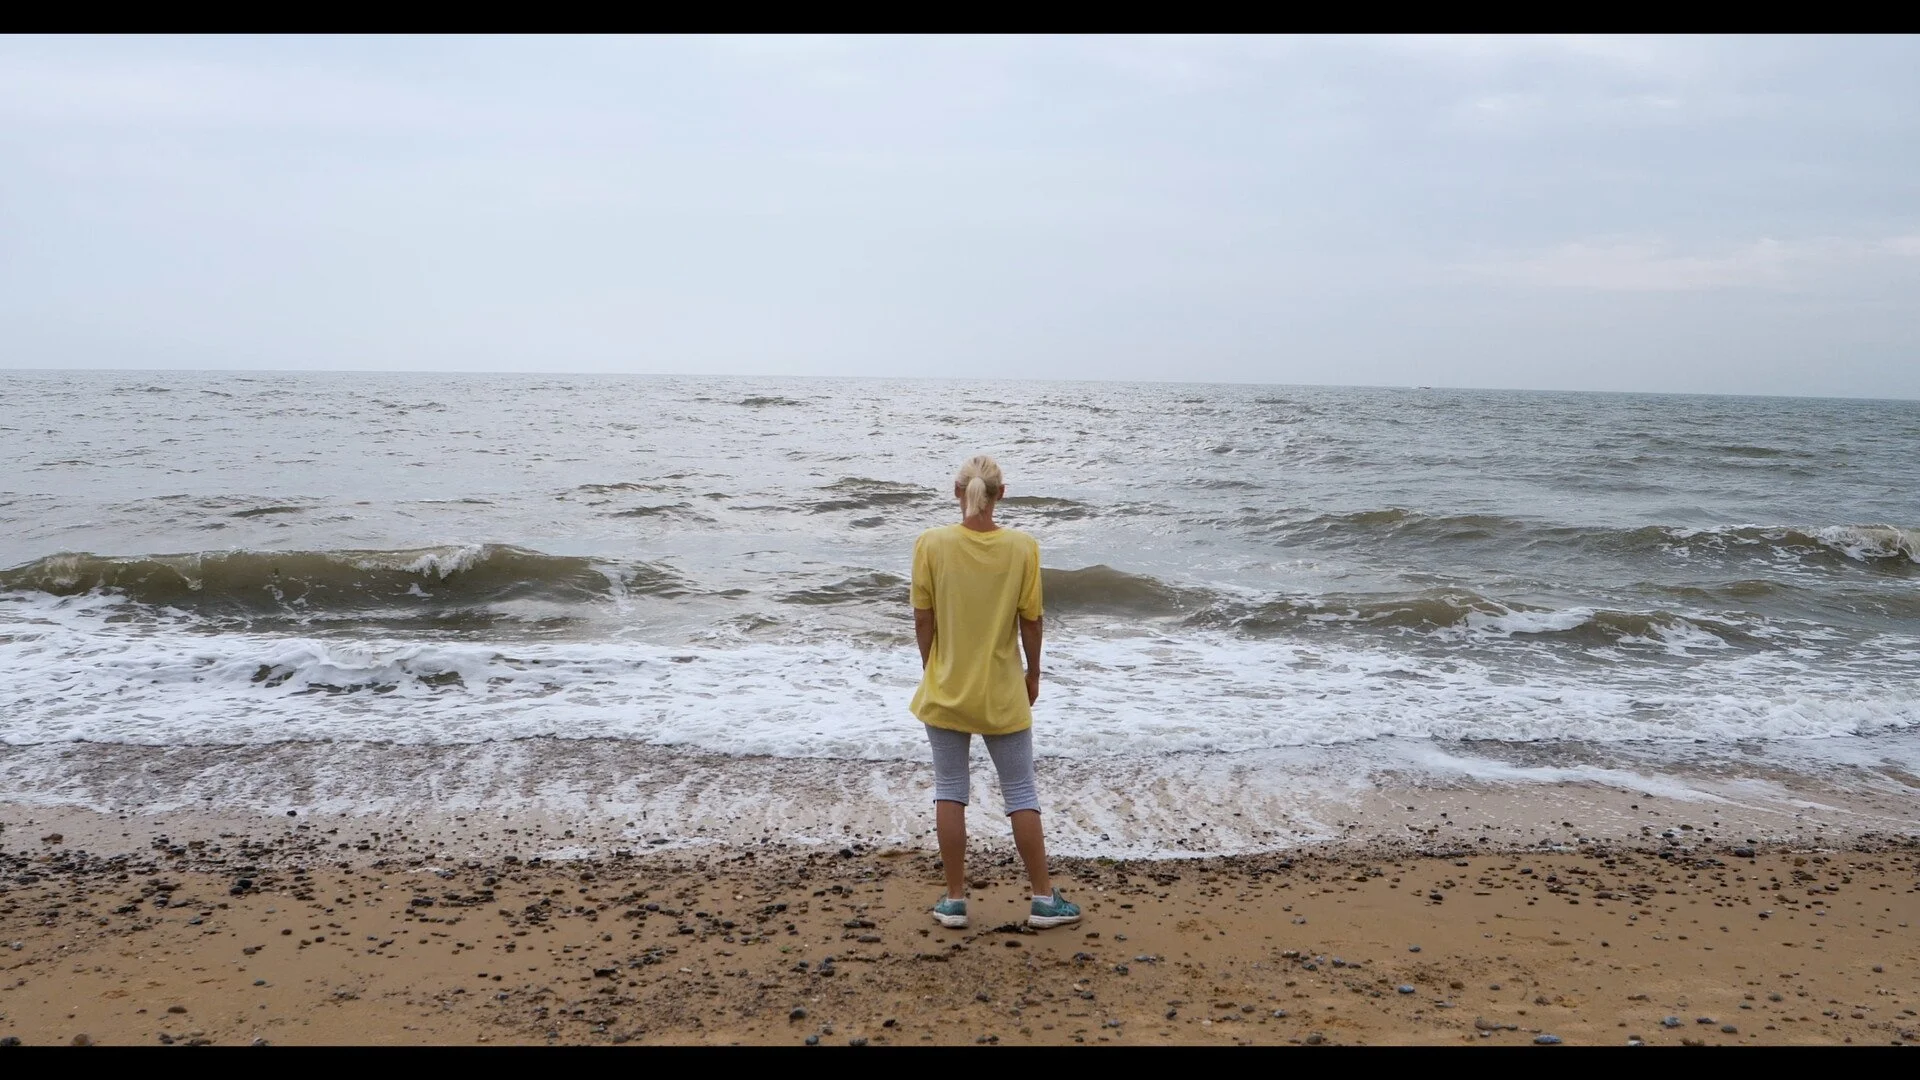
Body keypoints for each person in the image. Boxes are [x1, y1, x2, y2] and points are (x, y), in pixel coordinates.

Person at [909, 454, 1080, 930]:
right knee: (1021, 791)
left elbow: (924, 618)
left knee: (950, 789)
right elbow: (1032, 620)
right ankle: (1044, 898)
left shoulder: (931, 544)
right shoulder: (1023, 548)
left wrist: (932, 669)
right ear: (1001, 494)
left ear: (956, 491)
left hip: (946, 688)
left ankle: (955, 900)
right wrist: (1034, 674)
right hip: (1003, 691)